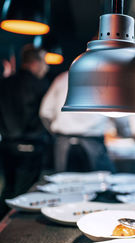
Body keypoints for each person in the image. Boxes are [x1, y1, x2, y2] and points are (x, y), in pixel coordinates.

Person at [0, 44, 50, 217]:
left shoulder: (5, 82)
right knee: (26, 195)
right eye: (45, 62)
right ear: (35, 62)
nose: (47, 66)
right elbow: (48, 116)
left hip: (7, 145)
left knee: (8, 189)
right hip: (32, 146)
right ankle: (14, 237)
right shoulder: (41, 86)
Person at [40, 71, 116, 173]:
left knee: (63, 184)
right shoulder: (105, 79)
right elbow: (118, 114)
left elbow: (45, 112)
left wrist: (53, 132)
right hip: (93, 142)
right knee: (97, 183)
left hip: (63, 141)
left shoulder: (62, 78)